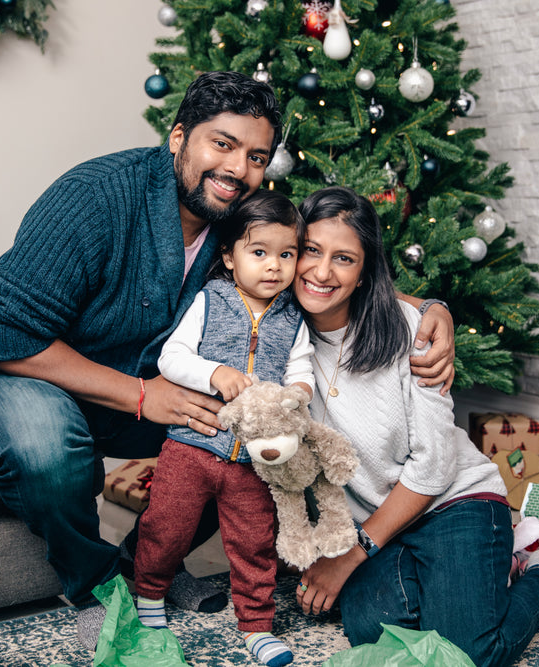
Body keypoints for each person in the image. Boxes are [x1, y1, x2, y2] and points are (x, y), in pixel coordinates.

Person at [0, 70, 454, 650]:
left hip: (137, 379)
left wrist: (430, 307)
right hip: (1, 364)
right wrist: (140, 395)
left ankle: (147, 566)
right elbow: (7, 336)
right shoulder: (96, 196)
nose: (238, 168)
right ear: (179, 136)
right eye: (222, 144)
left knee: (228, 436)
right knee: (44, 442)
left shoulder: (239, 218)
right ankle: (99, 588)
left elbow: (322, 262)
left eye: (256, 156)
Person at [290, 187, 539, 667]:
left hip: (451, 500)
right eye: (311, 250)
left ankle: (537, 564)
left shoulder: (411, 330)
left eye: (344, 259)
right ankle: (473, 574)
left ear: (364, 272)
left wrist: (353, 554)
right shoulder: (277, 331)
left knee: (467, 654)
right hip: (376, 515)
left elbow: (435, 466)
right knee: (376, 632)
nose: (321, 272)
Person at [134, 190, 312, 667]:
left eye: (286, 255)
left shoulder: (294, 319)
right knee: (165, 528)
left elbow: (303, 366)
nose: (274, 266)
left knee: (255, 542)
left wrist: (299, 391)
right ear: (230, 258)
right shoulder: (210, 301)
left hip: (254, 460)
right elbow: (170, 359)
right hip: (192, 448)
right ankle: (149, 595)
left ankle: (257, 624)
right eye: (259, 253)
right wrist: (213, 373)